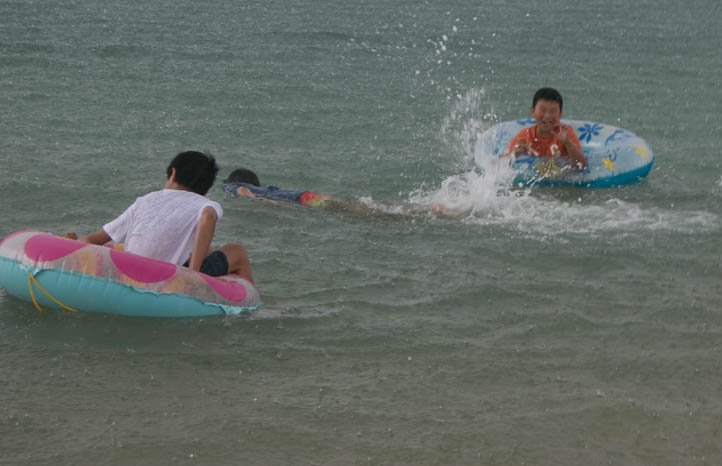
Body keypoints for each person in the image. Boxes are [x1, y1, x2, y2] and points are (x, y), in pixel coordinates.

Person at [66, 151, 254, 284]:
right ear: (205, 189)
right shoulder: (204, 204)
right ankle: (252, 308)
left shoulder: (145, 200)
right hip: (171, 278)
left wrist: (75, 246)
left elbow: (94, 240)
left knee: (207, 249)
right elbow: (207, 218)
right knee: (237, 251)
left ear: (172, 173)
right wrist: (193, 274)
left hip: (129, 272)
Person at [223, 169, 466, 219]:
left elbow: (242, 190)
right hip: (306, 196)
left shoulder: (233, 187)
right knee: (355, 207)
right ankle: (426, 208)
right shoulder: (266, 186)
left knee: (367, 213)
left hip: (304, 202)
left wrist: (261, 202)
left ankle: (427, 211)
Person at [504, 87, 587, 170]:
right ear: (532, 111)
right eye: (543, 110)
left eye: (553, 111)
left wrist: (568, 143)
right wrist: (515, 154)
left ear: (560, 114)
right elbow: (501, 164)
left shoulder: (565, 133)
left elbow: (582, 166)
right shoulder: (525, 135)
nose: (547, 116)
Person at [223, 168, 335, 208]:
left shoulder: (232, 185)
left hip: (299, 200)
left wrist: (259, 199)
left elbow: (242, 190)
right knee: (341, 206)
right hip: (303, 195)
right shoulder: (268, 189)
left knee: (334, 208)